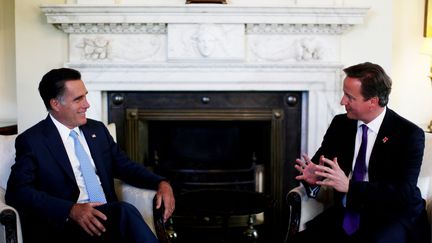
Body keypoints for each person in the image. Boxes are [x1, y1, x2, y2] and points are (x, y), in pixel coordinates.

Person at [5, 68, 175, 243]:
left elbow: (125, 166)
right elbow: (17, 192)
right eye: (78, 99)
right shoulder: (33, 140)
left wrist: (161, 182)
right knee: (125, 211)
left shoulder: (97, 130)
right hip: (66, 226)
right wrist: (71, 209)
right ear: (56, 104)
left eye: (85, 96)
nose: (87, 104)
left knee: (123, 214)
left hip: (107, 219)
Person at [292, 62, 430, 243]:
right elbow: (321, 165)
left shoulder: (408, 134)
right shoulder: (341, 124)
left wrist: (350, 187)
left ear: (372, 101)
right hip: (348, 213)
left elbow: (404, 192)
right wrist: (314, 178)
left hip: (392, 216)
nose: (342, 101)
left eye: (349, 97)